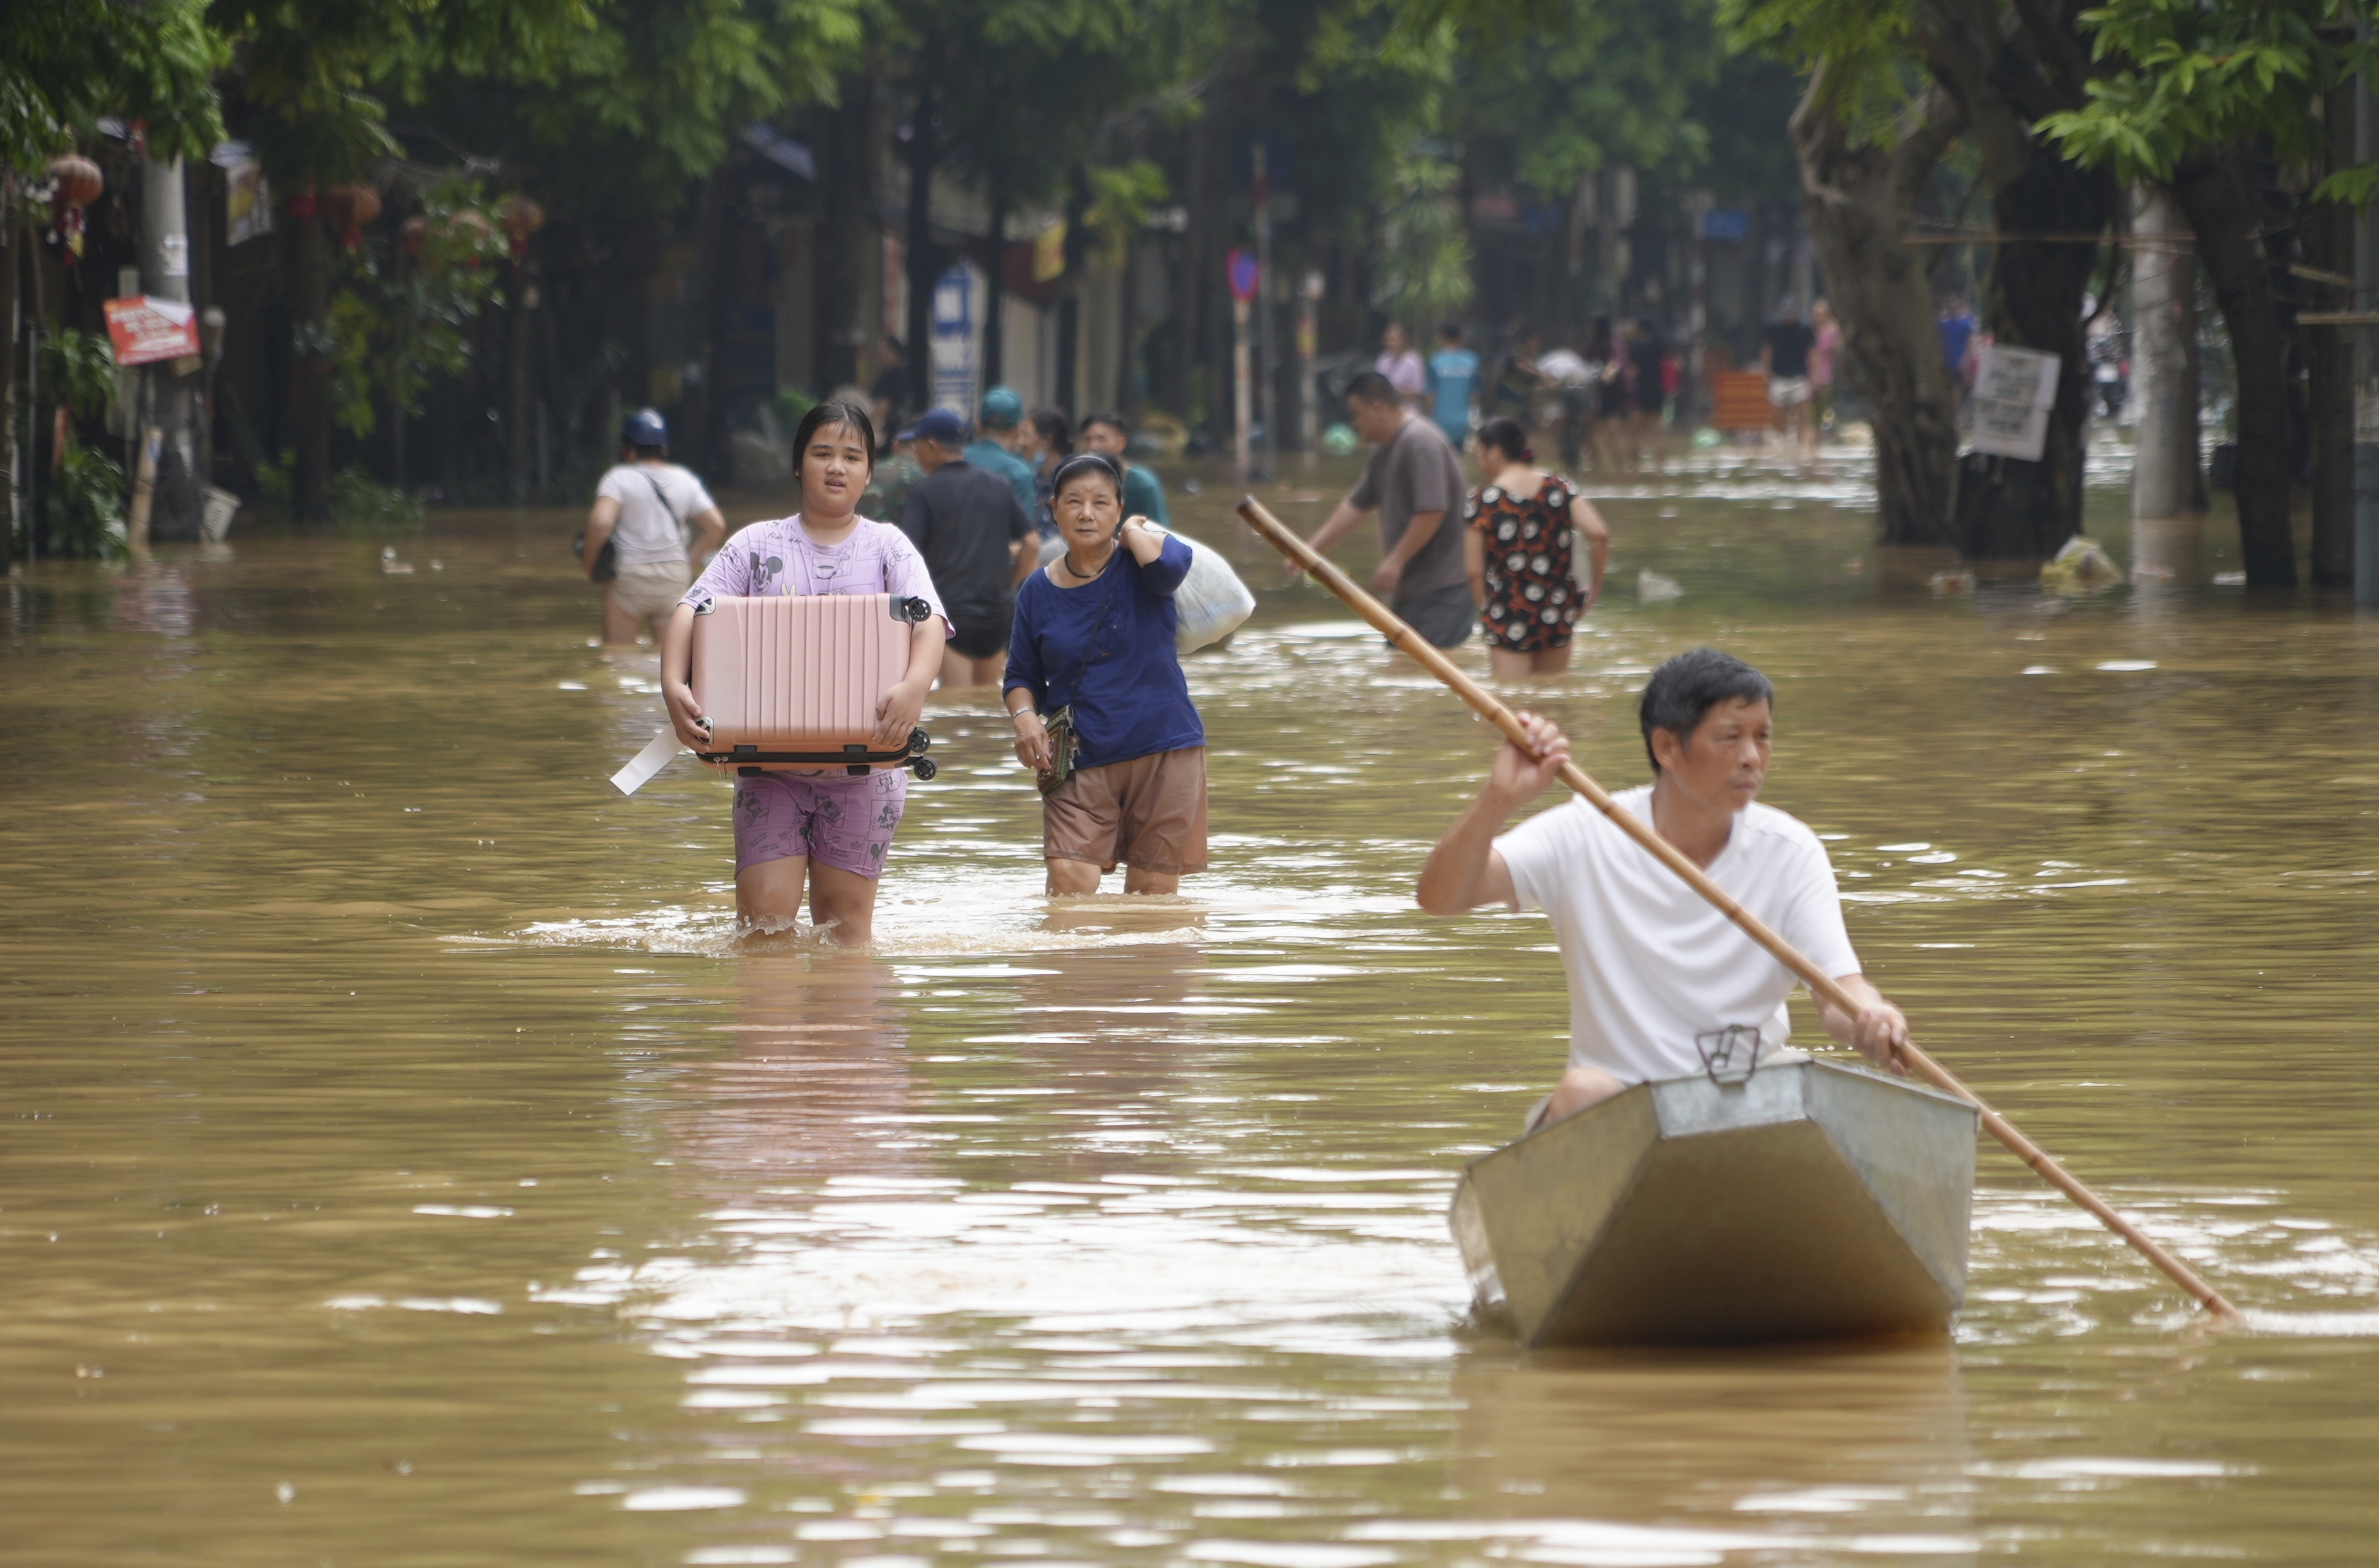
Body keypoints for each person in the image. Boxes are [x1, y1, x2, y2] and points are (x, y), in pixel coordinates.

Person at [1415, 648, 1912, 1132]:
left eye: (1762, 737)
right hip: (1622, 1109)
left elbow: (1839, 995)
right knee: (1583, 1090)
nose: (1751, 758)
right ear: (1667, 748)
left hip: (1746, 1096)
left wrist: (1872, 1018)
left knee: (1809, 1088)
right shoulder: (1584, 832)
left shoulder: (1789, 850)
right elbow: (1440, 897)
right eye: (1729, 737)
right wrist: (1498, 800)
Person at [659, 401, 949, 945]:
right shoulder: (753, 545)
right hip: (768, 772)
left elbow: (928, 620)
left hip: (866, 775)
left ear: (868, 472)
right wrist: (673, 686)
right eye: (822, 453)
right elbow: (690, 610)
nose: (836, 467)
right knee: (764, 928)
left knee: (845, 932)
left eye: (851, 456)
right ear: (798, 464)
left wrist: (915, 688)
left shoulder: (888, 547)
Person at [1004, 452, 1207, 896]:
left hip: (1163, 747)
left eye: (1101, 502)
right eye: (1073, 501)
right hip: (1080, 756)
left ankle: (1125, 968)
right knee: (1068, 883)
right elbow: (1021, 675)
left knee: (1151, 895)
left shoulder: (1143, 565)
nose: (1086, 513)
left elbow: (1173, 568)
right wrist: (1024, 719)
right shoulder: (1036, 590)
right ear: (1053, 508)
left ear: (1118, 509)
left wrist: (1135, 529)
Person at [1295, 371, 1473, 648]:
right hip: (1412, 589)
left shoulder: (1419, 442)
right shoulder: (1384, 450)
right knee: (1400, 669)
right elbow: (1357, 504)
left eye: (1357, 415)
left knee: (1421, 676)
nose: (1355, 425)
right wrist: (1309, 551)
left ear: (1377, 408)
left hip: (1443, 589)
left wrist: (1395, 560)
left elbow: (1432, 511)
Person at [897, 407, 1037, 688]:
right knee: (988, 706)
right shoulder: (998, 486)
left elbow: (907, 555)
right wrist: (1010, 585)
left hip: (952, 616)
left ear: (932, 444)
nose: (916, 453)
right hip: (998, 615)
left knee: (957, 710)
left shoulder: (924, 492)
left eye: (918, 445)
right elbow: (1032, 543)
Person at [1464, 416, 1611, 681]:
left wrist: (1487, 612)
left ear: (1495, 451)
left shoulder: (1482, 501)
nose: (1479, 460)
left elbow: (1474, 571)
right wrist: (1593, 592)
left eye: (1480, 453)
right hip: (1557, 608)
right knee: (1551, 701)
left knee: (1513, 704)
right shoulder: (1560, 487)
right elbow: (1599, 534)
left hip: (1508, 610)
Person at [580, 408, 728, 647]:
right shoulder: (685, 479)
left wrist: (589, 566)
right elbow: (716, 527)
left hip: (630, 580)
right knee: (670, 663)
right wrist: (688, 564)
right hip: (674, 581)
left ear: (627, 448)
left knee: (620, 661)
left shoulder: (619, 478)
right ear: (664, 448)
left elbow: (600, 524)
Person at [1079, 412, 1170, 527]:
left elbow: (1161, 533)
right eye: (1087, 440)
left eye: (1101, 439)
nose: (1093, 446)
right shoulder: (1079, 481)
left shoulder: (1143, 484)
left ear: (1121, 443)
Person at [965, 386, 1041, 518]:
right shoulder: (1020, 473)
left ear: (977, 425)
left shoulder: (953, 461)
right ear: (1018, 429)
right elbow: (1025, 534)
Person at [1761, 302, 1818, 460]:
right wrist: (1766, 373)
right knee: (1778, 414)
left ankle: (1800, 446)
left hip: (1799, 377)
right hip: (1779, 377)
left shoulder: (1805, 330)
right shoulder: (1773, 329)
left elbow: (1812, 353)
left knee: (1802, 414)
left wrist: (1814, 378)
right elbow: (1767, 351)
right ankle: (1783, 442)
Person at [1018, 407, 1073, 537]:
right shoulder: (1034, 475)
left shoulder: (1070, 477)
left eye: (1026, 435)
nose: (1020, 442)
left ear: (1048, 439)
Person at [1426, 322, 1480, 452]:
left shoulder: (1436, 362)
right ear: (1460, 337)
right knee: (1457, 460)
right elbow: (1475, 395)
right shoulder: (1472, 361)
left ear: (1442, 337)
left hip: (1440, 422)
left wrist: (1428, 417)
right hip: (1462, 422)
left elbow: (1431, 396)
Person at [1626, 317, 1667, 469]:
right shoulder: (1659, 345)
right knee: (1656, 432)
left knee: (1635, 433)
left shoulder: (1636, 348)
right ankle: (1660, 466)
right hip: (1657, 392)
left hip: (1640, 393)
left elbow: (1634, 371)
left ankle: (1635, 465)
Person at [868, 337, 910, 450]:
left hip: (891, 429)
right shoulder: (884, 375)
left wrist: (868, 427)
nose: (879, 355)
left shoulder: (896, 375)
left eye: (883, 351)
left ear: (893, 352)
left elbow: (885, 404)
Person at [1376, 322, 1427, 412]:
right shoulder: (1383, 359)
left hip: (1407, 413)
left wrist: (1393, 390)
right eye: (1388, 340)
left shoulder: (1414, 361)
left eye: (1394, 340)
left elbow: (1418, 394)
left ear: (1403, 339)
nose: (1391, 343)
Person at [1809, 299, 1842, 441]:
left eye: (1821, 314)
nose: (1818, 317)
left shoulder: (1832, 331)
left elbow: (1839, 346)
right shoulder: (1809, 331)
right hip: (1808, 377)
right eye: (1816, 314)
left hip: (1825, 376)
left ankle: (1817, 442)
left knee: (1820, 414)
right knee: (1809, 416)